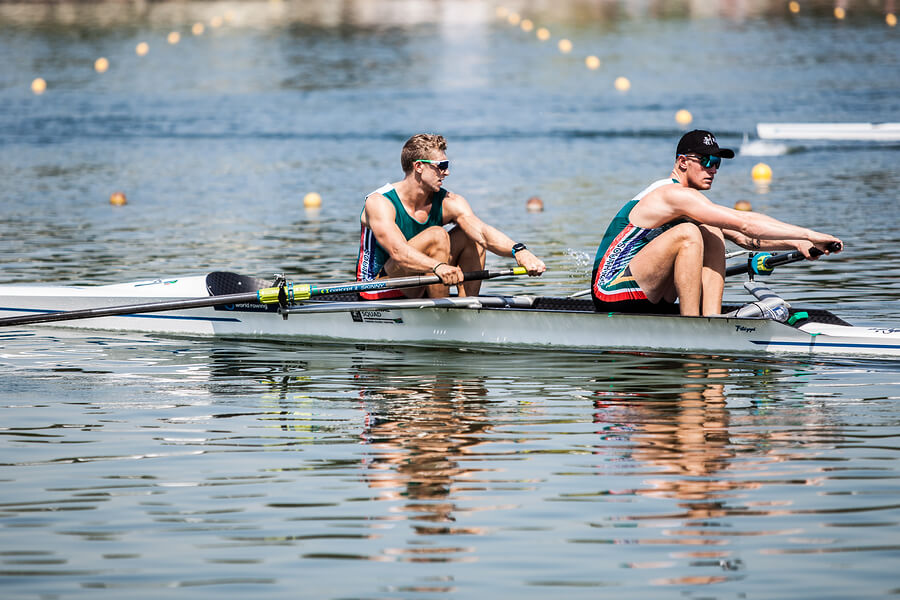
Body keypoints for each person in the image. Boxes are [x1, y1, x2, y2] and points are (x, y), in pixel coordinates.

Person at [591, 129, 843, 316]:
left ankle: (709, 320)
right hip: (610, 290)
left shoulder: (692, 202)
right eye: (707, 162)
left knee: (710, 228)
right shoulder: (671, 194)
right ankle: (694, 326)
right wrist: (810, 234)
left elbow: (746, 239)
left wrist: (797, 243)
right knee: (689, 233)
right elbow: (745, 222)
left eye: (717, 163)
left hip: (649, 290)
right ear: (682, 162)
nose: (713, 170)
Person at [357, 133, 546, 299]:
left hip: (424, 277)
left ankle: (466, 307)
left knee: (470, 235)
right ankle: (442, 311)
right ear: (419, 166)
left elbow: (482, 233)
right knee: (437, 235)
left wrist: (519, 251)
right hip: (379, 286)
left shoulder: (450, 201)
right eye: (441, 166)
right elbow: (399, 253)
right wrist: (438, 266)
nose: (446, 172)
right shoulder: (380, 202)